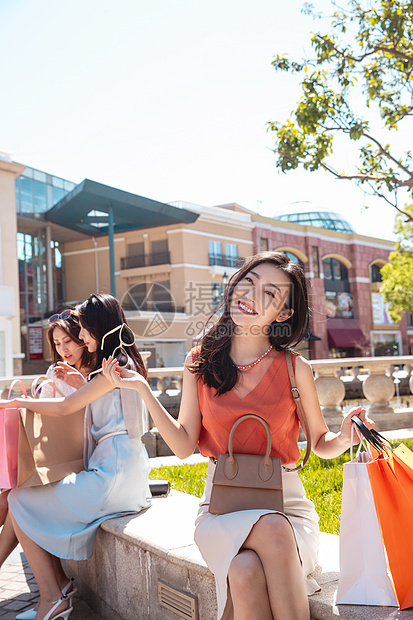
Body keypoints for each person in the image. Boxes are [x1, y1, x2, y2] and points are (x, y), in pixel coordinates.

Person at [101, 251, 374, 620]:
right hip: (220, 506)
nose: (250, 295)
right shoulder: (199, 362)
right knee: (258, 548)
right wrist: (143, 391)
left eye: (269, 294)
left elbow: (321, 443)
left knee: (247, 568)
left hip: (287, 505)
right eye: (248, 281)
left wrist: (342, 436)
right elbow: (183, 446)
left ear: (284, 314)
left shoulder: (296, 368)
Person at [1, 294, 151, 620]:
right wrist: (82, 382)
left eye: (83, 330)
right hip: (128, 474)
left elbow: (67, 408)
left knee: (19, 498)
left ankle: (52, 599)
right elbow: (111, 411)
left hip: (110, 477)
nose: (81, 337)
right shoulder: (125, 363)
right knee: (22, 498)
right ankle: (56, 593)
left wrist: (16, 404)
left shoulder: (110, 369)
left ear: (100, 327)